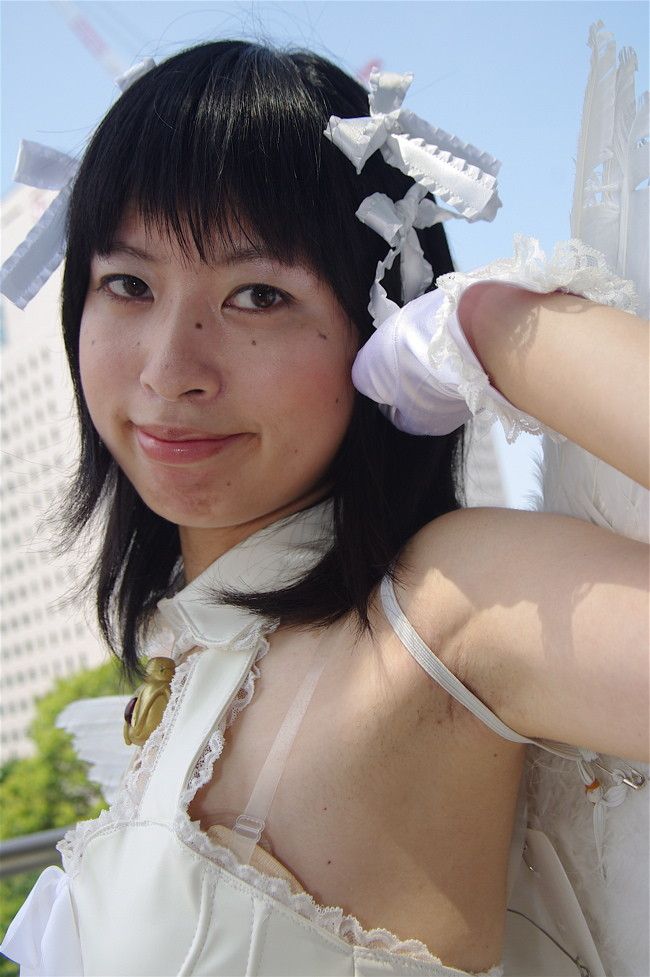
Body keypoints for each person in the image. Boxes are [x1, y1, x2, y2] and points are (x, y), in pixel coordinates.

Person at [0, 38, 647, 977]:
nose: (170, 370)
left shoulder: (447, 606)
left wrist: (494, 326)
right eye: (129, 284)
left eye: (258, 295)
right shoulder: (190, 656)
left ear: (379, 321)